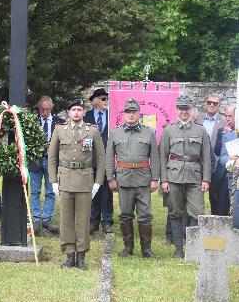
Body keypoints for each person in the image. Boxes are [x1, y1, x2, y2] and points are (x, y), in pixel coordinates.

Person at [48, 98, 105, 270]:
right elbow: (52, 158)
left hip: (84, 180)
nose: (76, 113)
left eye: (79, 110)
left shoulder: (92, 131)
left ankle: (81, 256)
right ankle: (69, 255)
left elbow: (101, 159)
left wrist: (98, 182)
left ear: (84, 113)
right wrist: (53, 182)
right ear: (68, 112)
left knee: (82, 220)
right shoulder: (59, 130)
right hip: (65, 179)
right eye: (73, 110)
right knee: (66, 221)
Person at [105, 98, 160, 258]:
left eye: (133, 112)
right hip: (124, 179)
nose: (130, 115)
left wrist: (155, 178)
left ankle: (146, 250)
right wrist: (111, 178)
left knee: (145, 214)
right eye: (127, 112)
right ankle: (128, 248)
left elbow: (154, 158)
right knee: (126, 213)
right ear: (123, 114)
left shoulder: (148, 132)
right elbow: (109, 157)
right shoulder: (115, 133)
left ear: (138, 113)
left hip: (143, 179)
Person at [159, 97, 211, 258]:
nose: (184, 112)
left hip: (195, 178)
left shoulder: (200, 130)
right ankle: (178, 249)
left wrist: (206, 179)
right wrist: (164, 180)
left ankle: (192, 248)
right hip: (173, 177)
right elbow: (162, 157)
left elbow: (206, 157)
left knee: (197, 212)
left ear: (191, 110)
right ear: (176, 110)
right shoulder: (169, 130)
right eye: (181, 109)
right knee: (175, 212)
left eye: (186, 109)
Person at [29, 96, 64, 231]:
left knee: (51, 191)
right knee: (35, 191)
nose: (44, 112)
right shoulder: (32, 122)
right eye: (42, 110)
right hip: (35, 161)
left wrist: (53, 145)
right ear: (38, 109)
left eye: (47, 109)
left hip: (52, 161)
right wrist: (38, 144)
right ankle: (37, 219)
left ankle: (47, 219)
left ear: (51, 108)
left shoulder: (60, 123)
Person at [84, 88, 113, 234]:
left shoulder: (112, 116)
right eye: (103, 99)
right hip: (91, 159)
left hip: (108, 159)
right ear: (95, 101)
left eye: (106, 99)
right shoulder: (86, 117)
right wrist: (89, 133)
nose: (105, 101)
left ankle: (107, 221)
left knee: (107, 191)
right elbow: (81, 140)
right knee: (93, 190)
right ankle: (93, 221)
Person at [211, 105, 236, 216]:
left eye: (230, 116)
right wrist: (223, 136)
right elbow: (217, 151)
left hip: (235, 174)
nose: (228, 119)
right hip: (223, 175)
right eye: (226, 116)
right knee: (221, 208)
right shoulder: (222, 130)